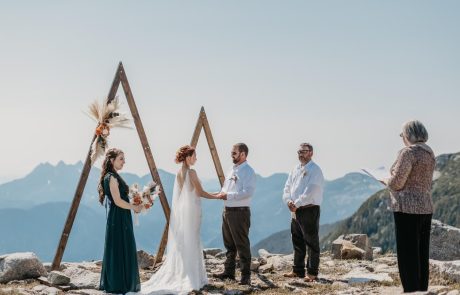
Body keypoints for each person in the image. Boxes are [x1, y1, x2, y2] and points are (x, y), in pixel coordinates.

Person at [136, 145, 221, 295]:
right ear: (188, 157)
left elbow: (182, 194)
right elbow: (200, 192)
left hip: (183, 211)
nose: (196, 158)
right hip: (192, 210)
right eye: (194, 156)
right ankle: (194, 277)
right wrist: (218, 196)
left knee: (186, 240)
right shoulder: (192, 172)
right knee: (192, 239)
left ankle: (188, 274)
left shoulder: (179, 173)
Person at [382, 120, 435, 293]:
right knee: (421, 252)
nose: (402, 138)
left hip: (407, 208)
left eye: (402, 135)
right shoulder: (429, 153)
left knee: (407, 254)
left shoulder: (408, 153)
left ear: (408, 135)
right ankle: (422, 289)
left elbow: (397, 183)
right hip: (425, 207)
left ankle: (411, 290)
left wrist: (385, 180)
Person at [99, 148, 143, 293]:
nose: (124, 162)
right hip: (118, 217)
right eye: (121, 159)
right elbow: (117, 201)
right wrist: (133, 207)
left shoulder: (114, 176)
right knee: (119, 247)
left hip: (121, 216)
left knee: (122, 246)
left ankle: (123, 281)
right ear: (112, 161)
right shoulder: (111, 177)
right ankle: (119, 284)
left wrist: (138, 201)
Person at [213, 143, 257, 285]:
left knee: (242, 244)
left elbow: (248, 192)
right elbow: (226, 189)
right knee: (229, 244)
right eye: (232, 153)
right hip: (227, 211)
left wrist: (228, 196)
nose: (232, 155)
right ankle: (229, 272)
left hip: (239, 212)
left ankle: (245, 276)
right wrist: (220, 195)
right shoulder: (231, 170)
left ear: (243, 154)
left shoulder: (248, 171)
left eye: (234, 153)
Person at [282, 143, 324, 282]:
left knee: (311, 242)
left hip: (309, 209)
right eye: (299, 151)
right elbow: (287, 187)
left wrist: (297, 203)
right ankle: (298, 270)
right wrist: (288, 201)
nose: (301, 154)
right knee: (297, 240)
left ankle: (312, 273)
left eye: (304, 151)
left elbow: (311, 190)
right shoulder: (295, 169)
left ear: (311, 153)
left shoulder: (315, 170)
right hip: (294, 209)